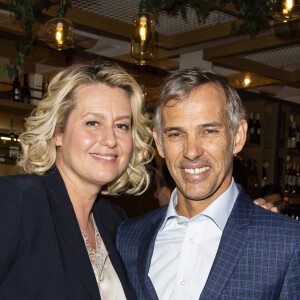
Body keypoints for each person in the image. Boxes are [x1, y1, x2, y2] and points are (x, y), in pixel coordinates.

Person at [116, 68, 300, 299]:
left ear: (238, 136)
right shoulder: (128, 237)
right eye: (176, 134)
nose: (192, 151)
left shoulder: (288, 242)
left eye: (209, 131)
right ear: (159, 143)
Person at [0, 61, 154, 299]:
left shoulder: (115, 221)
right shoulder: (16, 200)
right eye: (93, 122)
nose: (110, 139)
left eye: (121, 126)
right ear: (58, 132)